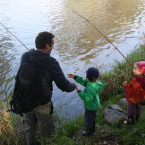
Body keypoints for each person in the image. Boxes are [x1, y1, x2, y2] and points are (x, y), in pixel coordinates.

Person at [20, 31, 75, 145]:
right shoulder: (51, 62)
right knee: (47, 132)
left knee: (29, 130)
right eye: (53, 44)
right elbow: (63, 85)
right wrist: (73, 87)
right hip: (42, 104)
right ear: (47, 45)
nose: (53, 47)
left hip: (25, 101)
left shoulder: (25, 56)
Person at [67, 67, 106, 136]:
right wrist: (75, 77)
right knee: (92, 118)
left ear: (86, 76)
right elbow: (84, 81)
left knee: (88, 119)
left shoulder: (90, 88)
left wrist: (78, 91)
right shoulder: (94, 83)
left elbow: (87, 98)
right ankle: (92, 129)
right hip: (94, 105)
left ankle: (89, 132)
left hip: (90, 107)